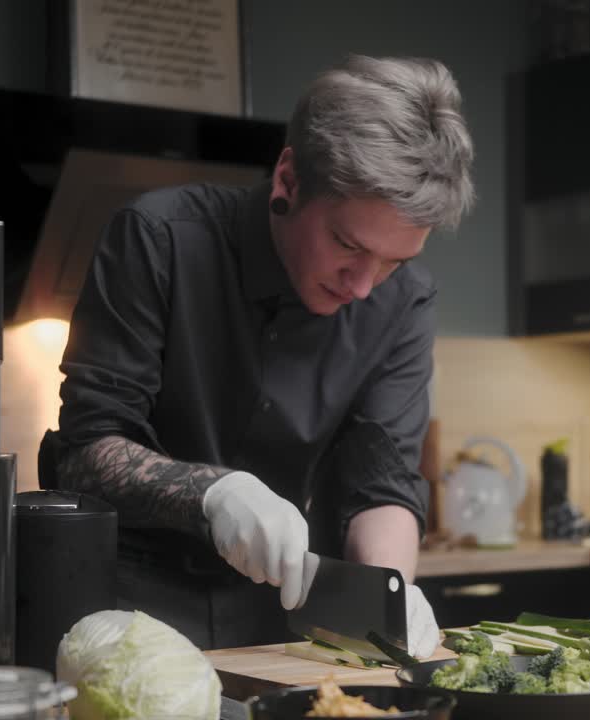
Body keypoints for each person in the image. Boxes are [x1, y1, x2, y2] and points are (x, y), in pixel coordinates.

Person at [44, 54, 475, 655]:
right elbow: (86, 453)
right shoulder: (159, 238)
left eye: (393, 262)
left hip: (287, 612)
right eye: (347, 245)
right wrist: (214, 493)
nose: (362, 286)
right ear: (289, 179)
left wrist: (389, 589)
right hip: (129, 606)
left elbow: (382, 483)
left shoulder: (403, 302)